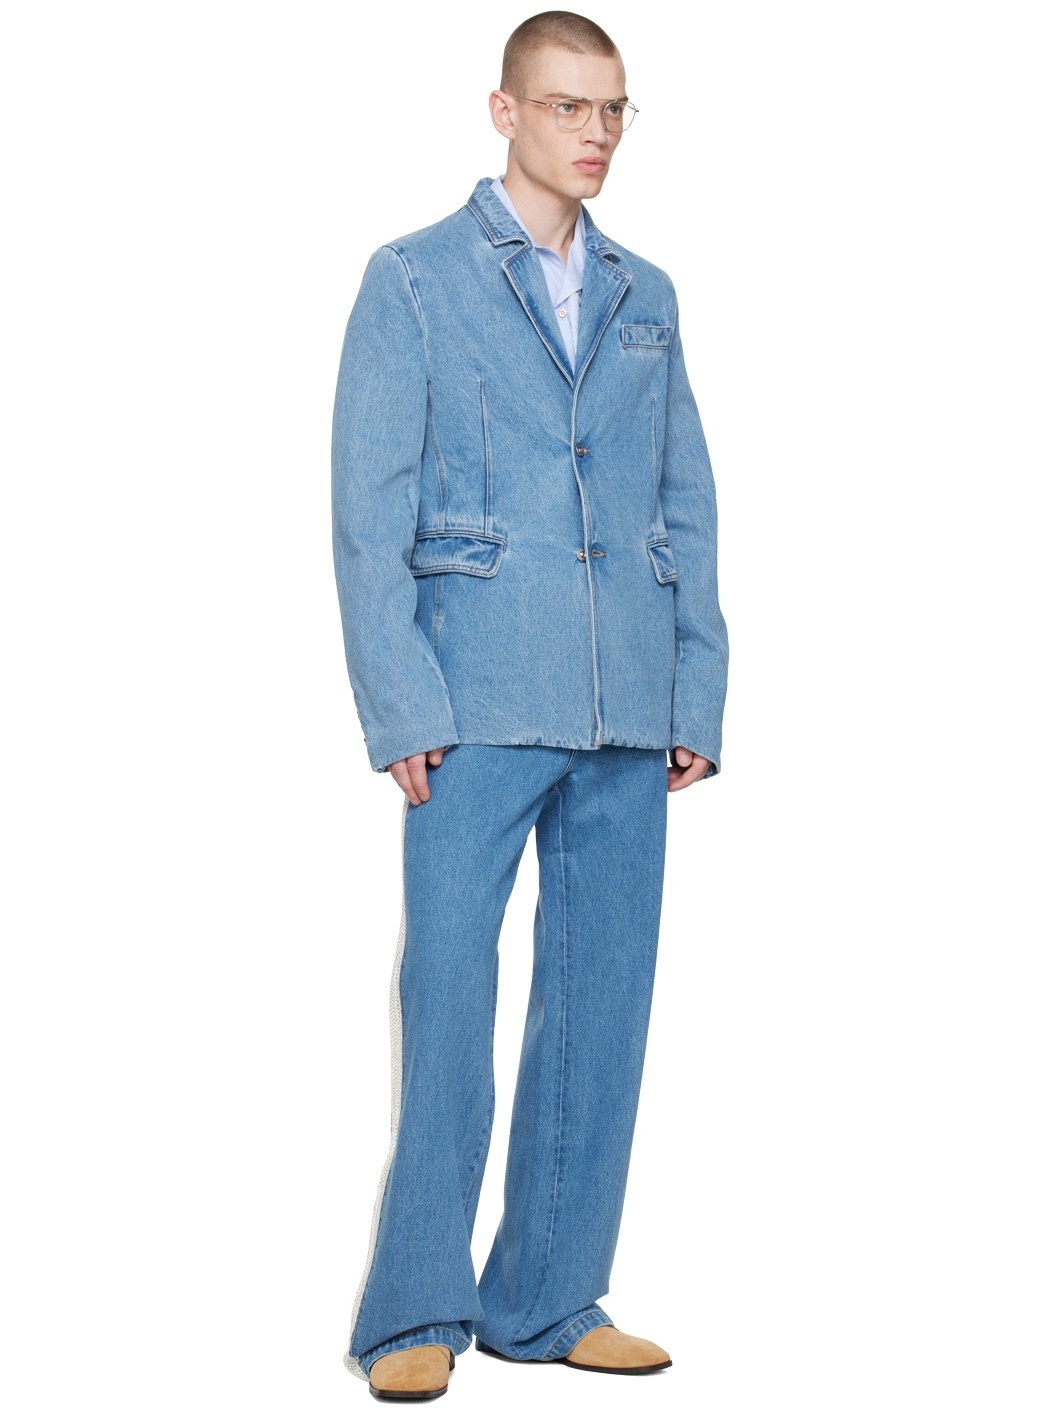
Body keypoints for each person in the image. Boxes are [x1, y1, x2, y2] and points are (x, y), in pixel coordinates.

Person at [330, 10, 728, 1401]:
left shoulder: (646, 292)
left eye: (613, 109)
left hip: (626, 699)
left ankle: (550, 1299)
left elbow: (685, 498)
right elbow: (366, 511)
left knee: (602, 1003)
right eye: (568, 107)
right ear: (504, 111)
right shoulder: (414, 279)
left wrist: (696, 686)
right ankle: (414, 1310)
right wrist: (399, 704)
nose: (596, 133)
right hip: (474, 696)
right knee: (450, 998)